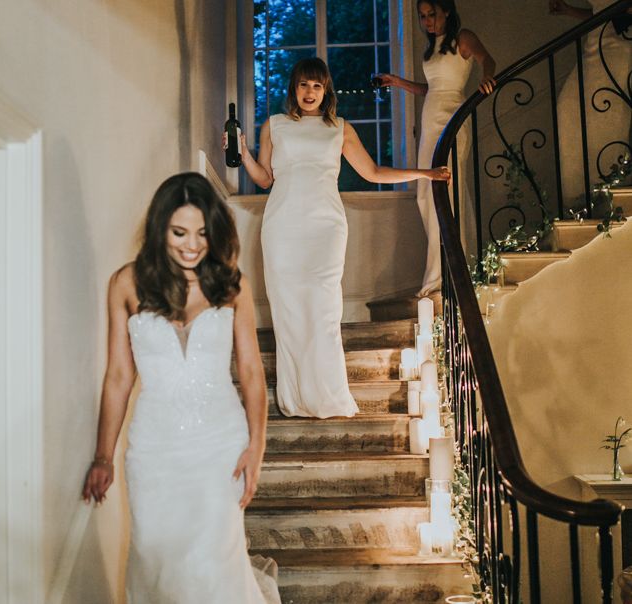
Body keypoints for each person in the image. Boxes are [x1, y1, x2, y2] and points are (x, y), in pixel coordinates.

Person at [81, 173, 280, 604]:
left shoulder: (232, 285)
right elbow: (118, 376)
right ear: (160, 229)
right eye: (179, 233)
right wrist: (102, 455)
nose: (192, 245)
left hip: (220, 447)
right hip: (153, 451)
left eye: (203, 233)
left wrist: (256, 449)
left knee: (212, 568)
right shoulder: (126, 285)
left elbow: (250, 372)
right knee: (156, 564)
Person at [232, 57, 450, 419]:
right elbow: (265, 179)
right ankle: (296, 397)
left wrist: (423, 173)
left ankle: (328, 395)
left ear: (326, 90)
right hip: (283, 227)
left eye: (317, 85)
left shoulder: (340, 129)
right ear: (294, 88)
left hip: (326, 228)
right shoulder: (275, 126)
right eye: (304, 84)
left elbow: (374, 171)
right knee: (289, 311)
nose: (310, 92)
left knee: (323, 310)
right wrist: (241, 151)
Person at [378, 0, 496, 296]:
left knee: (449, 189)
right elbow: (429, 88)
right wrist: (396, 82)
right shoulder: (431, 48)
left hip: (453, 116)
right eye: (422, 16)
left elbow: (487, 60)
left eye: (432, 14)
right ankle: (436, 272)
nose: (427, 21)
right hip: (430, 117)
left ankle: (453, 273)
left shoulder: (462, 38)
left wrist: (486, 79)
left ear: (446, 12)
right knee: (425, 192)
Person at [549, 0, 632, 204]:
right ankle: (580, 192)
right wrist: (568, 10)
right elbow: (601, 9)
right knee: (567, 106)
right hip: (595, 42)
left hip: (620, 42)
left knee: (610, 109)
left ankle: (611, 180)